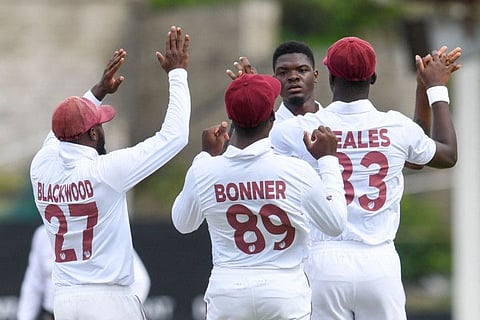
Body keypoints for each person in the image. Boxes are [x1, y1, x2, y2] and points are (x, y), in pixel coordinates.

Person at [270, 36, 461, 320]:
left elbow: (256, 149)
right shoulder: (396, 126)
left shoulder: (300, 128)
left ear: (330, 76)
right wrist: (434, 89)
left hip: (323, 262)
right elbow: (445, 155)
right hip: (379, 263)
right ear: (373, 76)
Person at [29, 25, 190, 320]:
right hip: (109, 301)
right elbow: (175, 136)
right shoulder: (104, 171)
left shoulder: (41, 166)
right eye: (99, 125)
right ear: (91, 135)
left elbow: (59, 133)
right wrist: (177, 74)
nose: (103, 129)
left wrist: (97, 92)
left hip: (64, 300)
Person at [171, 73, 347, 319]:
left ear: (231, 118)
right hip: (283, 292)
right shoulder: (296, 171)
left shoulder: (204, 170)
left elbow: (183, 223)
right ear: (272, 117)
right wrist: (328, 160)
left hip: (228, 292)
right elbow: (335, 224)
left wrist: (204, 157)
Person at [17, 224, 151, 320]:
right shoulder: (42, 235)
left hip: (96, 312)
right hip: (55, 312)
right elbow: (33, 284)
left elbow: (141, 280)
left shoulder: (101, 231)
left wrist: (118, 310)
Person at [227, 40, 321, 122]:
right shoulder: (268, 130)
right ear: (275, 80)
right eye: (283, 72)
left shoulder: (333, 121)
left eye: (302, 70)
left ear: (315, 76)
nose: (293, 77)